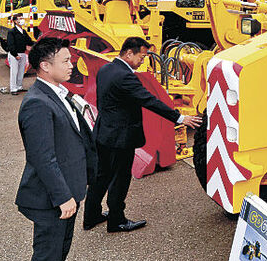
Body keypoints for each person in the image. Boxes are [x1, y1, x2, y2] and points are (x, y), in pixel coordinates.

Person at [16, 37, 97, 261]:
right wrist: (63, 197)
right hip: (52, 198)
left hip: (67, 192)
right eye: (65, 60)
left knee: (59, 252)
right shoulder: (37, 102)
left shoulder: (58, 93)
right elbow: (43, 157)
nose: (71, 64)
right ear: (45, 66)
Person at [83, 36, 201, 233]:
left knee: (101, 176)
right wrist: (180, 118)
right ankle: (116, 220)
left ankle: (91, 216)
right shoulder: (125, 76)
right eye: (142, 56)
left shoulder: (106, 70)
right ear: (129, 53)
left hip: (104, 133)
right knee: (120, 179)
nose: (143, 61)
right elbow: (149, 100)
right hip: (120, 138)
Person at [7, 14, 34, 95]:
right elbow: (10, 44)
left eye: (22, 18)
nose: (22, 20)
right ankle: (13, 88)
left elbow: (29, 41)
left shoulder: (23, 31)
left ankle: (19, 86)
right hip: (14, 54)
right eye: (20, 18)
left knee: (21, 71)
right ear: (15, 21)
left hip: (23, 53)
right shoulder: (12, 32)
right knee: (14, 71)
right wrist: (15, 55)